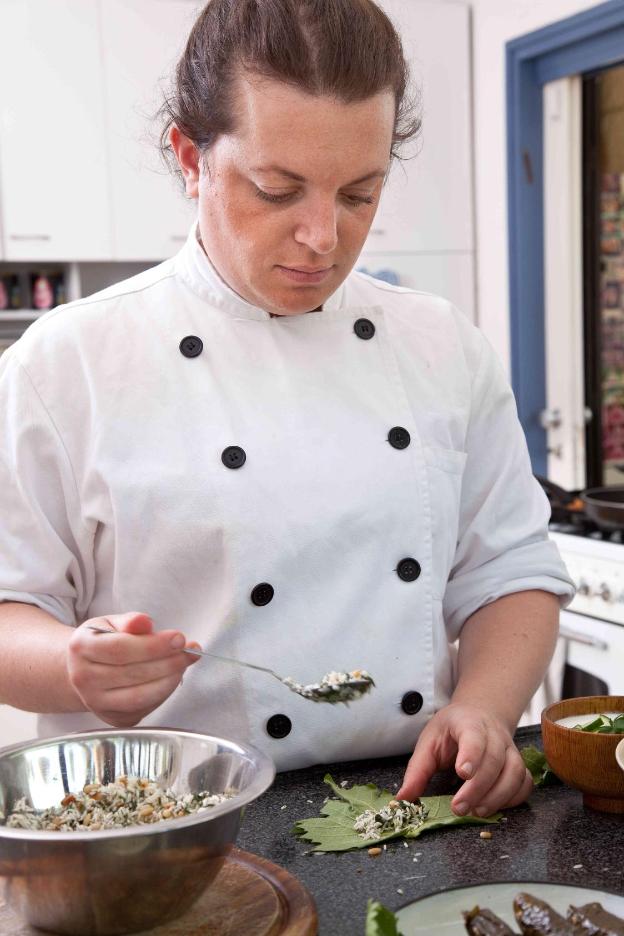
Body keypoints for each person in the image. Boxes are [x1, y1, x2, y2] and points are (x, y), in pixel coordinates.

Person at [0, 0, 573, 819]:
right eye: (278, 189)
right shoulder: (68, 365)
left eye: (358, 194)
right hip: (167, 827)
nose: (322, 236)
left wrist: (483, 705)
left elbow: (510, 573)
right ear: (191, 158)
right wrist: (71, 666)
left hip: (414, 807)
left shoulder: (442, 348)